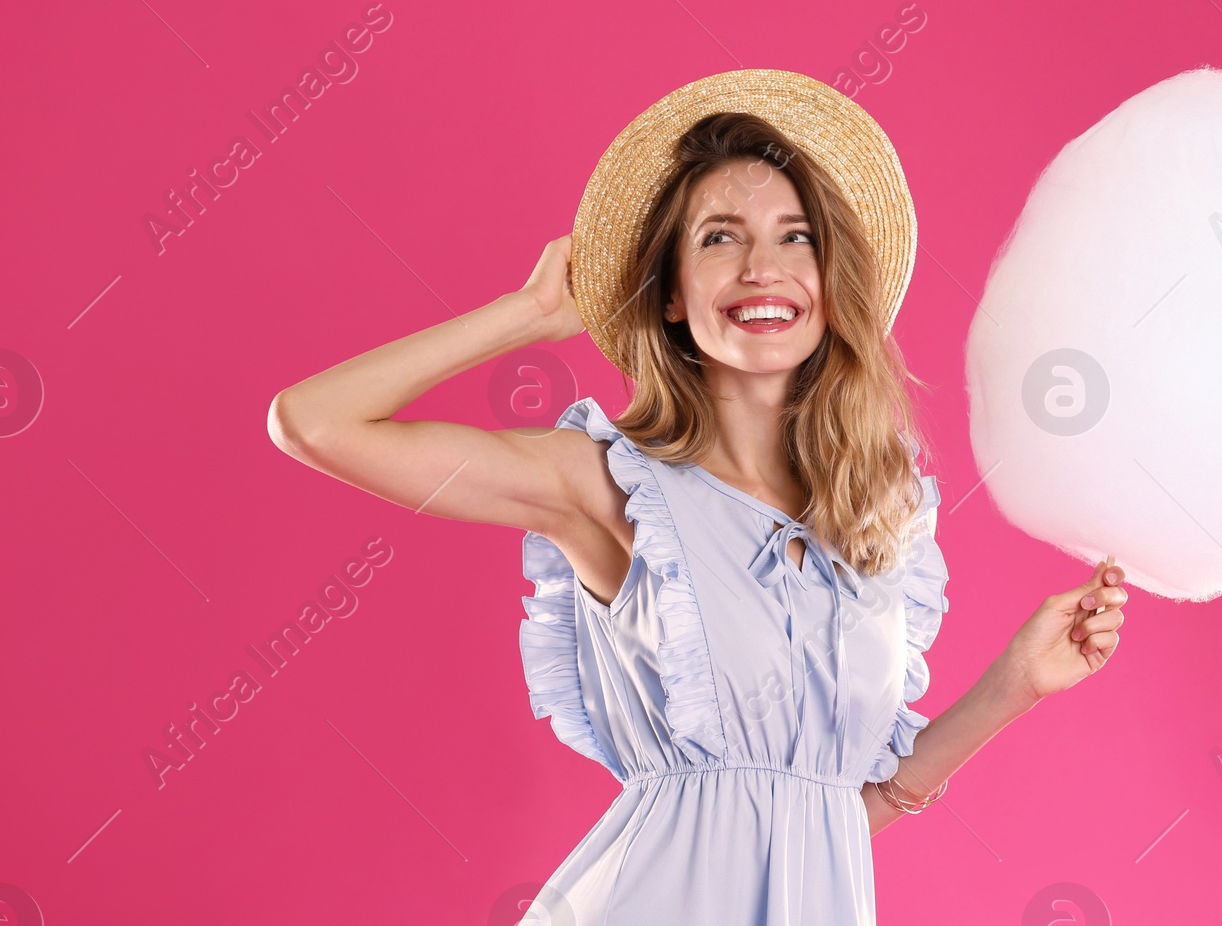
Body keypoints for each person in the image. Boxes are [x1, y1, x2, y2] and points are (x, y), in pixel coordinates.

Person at [267, 69, 1127, 924]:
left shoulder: (872, 519)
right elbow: (315, 422)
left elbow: (823, 819)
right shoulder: (608, 486)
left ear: (831, 282)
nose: (763, 268)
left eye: (796, 238)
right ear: (673, 293)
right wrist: (525, 313)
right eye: (720, 237)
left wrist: (1015, 683)